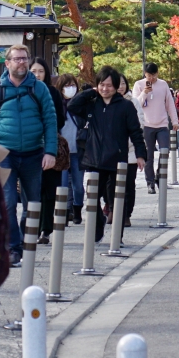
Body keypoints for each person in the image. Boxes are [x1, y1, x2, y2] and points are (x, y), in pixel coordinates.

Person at [0, 44, 57, 268]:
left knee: (33, 204)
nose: (22, 62)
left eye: (25, 59)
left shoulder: (39, 88)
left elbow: (50, 121)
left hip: (34, 153)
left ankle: (24, 239)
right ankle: (13, 247)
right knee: (8, 202)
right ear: (8, 63)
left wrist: (50, 151)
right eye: (17, 59)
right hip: (5, 154)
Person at [67, 67, 146, 242]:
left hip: (117, 160)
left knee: (117, 199)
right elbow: (72, 106)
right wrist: (90, 92)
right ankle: (97, 226)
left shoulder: (126, 106)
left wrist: (141, 154)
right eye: (102, 85)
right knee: (92, 199)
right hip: (94, 159)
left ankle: (118, 237)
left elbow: (136, 132)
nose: (105, 89)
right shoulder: (93, 103)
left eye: (109, 85)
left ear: (116, 86)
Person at [29, 57, 69, 242]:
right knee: (33, 189)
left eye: (40, 71)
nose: (37, 75)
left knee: (49, 189)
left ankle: (46, 228)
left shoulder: (52, 91)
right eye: (34, 71)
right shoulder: (25, 90)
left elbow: (60, 118)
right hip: (30, 145)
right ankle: (32, 228)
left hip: (50, 144)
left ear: (46, 73)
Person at [133, 63, 178, 195]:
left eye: (154, 75)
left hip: (162, 124)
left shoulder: (163, 85)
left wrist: (174, 121)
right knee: (149, 156)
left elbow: (170, 103)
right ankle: (150, 182)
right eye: (149, 75)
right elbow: (136, 104)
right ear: (145, 74)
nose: (151, 78)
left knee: (165, 151)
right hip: (146, 124)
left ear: (157, 73)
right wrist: (145, 92)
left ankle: (159, 175)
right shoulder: (139, 85)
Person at [52, 73, 84, 226]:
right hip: (62, 153)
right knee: (63, 185)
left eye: (72, 85)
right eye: (66, 85)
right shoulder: (57, 106)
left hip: (78, 151)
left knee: (78, 186)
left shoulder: (80, 106)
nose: (69, 88)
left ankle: (77, 209)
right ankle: (65, 212)